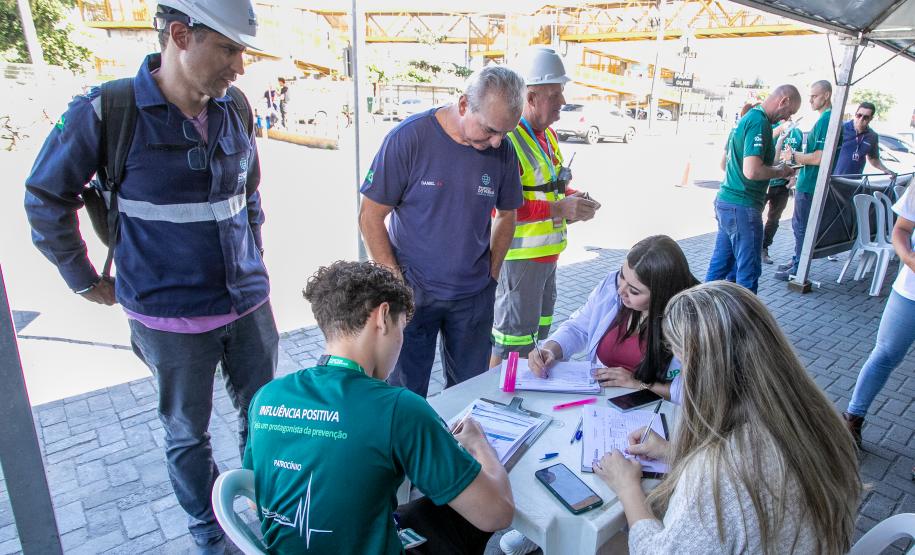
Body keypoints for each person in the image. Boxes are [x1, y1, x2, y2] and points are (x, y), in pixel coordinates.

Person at [23, 2, 277, 552]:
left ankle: (270, 515)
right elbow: (45, 197)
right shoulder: (106, 111)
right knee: (188, 435)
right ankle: (211, 533)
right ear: (181, 35)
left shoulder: (235, 106)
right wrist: (83, 278)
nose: (239, 67)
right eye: (229, 49)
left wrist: (253, 252)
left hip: (249, 306)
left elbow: (248, 193)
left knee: (267, 420)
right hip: (170, 321)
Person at [244, 261, 514, 554]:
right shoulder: (398, 408)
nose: (400, 342)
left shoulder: (266, 396)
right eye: (402, 328)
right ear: (383, 317)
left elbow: (253, 498)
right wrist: (478, 443)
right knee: (463, 511)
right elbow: (497, 514)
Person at [594, 281, 860, 554]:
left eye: (680, 361)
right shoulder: (814, 418)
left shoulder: (718, 473)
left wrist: (627, 487)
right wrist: (672, 452)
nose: (680, 378)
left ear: (703, 370)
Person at [499, 235, 698, 555]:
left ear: (662, 293)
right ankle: (549, 527)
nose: (621, 291)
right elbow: (579, 326)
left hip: (653, 416)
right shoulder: (612, 287)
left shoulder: (690, 317)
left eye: (634, 290)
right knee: (567, 456)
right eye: (622, 277)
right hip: (598, 399)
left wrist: (640, 384)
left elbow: (695, 391)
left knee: (615, 475)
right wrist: (552, 349)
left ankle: (600, 531)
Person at [359, 65, 525, 397]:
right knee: (405, 394)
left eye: (505, 133)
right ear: (464, 105)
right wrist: (396, 285)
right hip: (413, 295)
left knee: (469, 393)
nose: (497, 142)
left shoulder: (503, 151)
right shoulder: (409, 139)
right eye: (490, 130)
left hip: (473, 297)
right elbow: (370, 217)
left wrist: (491, 276)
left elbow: (508, 215)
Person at [489, 47, 600, 368]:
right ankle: (493, 396)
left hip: (547, 259)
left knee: (535, 339)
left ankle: (522, 390)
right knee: (511, 343)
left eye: (561, 92)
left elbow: (550, 188)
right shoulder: (508, 140)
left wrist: (575, 200)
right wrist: (559, 209)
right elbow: (501, 209)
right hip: (520, 261)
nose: (563, 101)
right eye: (555, 94)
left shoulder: (547, 136)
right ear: (531, 97)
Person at [706, 85, 800, 293]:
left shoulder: (752, 119)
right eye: (789, 111)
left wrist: (779, 167)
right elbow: (752, 171)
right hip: (742, 205)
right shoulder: (759, 122)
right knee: (747, 272)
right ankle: (743, 313)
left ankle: (701, 308)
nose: (787, 118)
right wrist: (780, 172)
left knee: (721, 266)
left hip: (728, 202)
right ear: (783, 101)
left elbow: (748, 164)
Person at [844, 186, 915, 449]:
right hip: (910, 292)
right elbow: (902, 229)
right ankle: (852, 420)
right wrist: (908, 257)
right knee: (884, 354)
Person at [775, 80, 833, 281]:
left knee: (801, 227)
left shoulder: (826, 120)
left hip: (811, 184)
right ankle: (797, 261)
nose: (810, 100)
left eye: (814, 96)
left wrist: (793, 156)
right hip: (809, 181)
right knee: (799, 226)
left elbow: (818, 158)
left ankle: (799, 267)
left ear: (826, 95)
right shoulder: (825, 119)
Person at [763, 118, 803, 265]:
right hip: (765, 182)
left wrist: (794, 177)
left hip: (783, 185)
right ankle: (750, 247)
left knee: (774, 219)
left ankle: (764, 247)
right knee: (753, 216)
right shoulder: (771, 128)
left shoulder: (797, 133)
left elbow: (797, 159)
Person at [833, 101, 896, 177]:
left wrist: (885, 170)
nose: (861, 119)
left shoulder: (872, 136)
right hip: (834, 177)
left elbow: (873, 159)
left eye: (866, 117)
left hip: (855, 181)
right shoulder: (841, 128)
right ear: (855, 114)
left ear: (871, 118)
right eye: (859, 115)